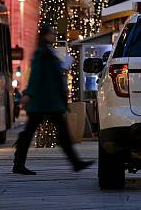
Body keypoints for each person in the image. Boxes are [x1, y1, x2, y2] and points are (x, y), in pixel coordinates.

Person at [13, 25, 93, 175]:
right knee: (35, 132)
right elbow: (36, 75)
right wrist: (29, 93)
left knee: (51, 132)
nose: (54, 36)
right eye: (52, 33)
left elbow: (50, 72)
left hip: (48, 100)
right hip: (44, 101)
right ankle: (19, 163)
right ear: (45, 35)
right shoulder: (42, 52)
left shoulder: (47, 50)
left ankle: (75, 162)